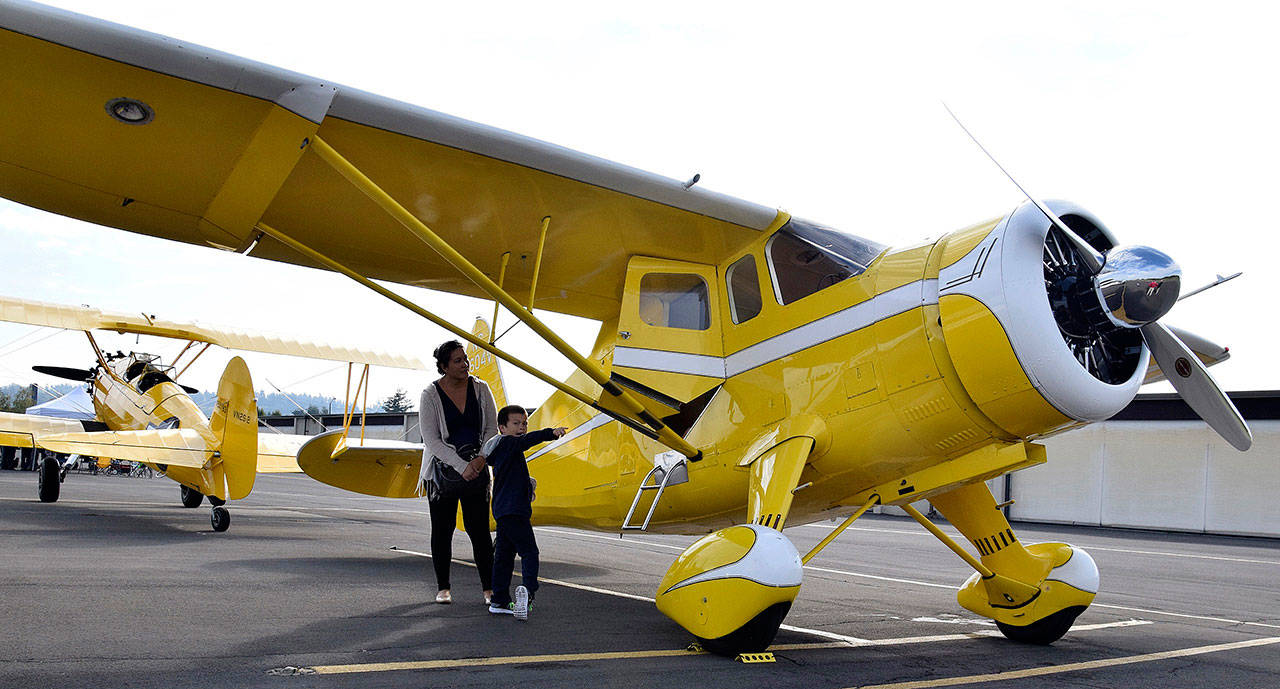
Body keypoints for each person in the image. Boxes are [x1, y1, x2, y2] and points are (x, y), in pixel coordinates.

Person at [418, 340, 498, 605]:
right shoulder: (430, 394)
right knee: (442, 530)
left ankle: (489, 589)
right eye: (457, 361)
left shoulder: (481, 389)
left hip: (476, 470)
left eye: (465, 359)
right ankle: (443, 588)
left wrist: (479, 460)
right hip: (442, 473)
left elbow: (491, 430)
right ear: (443, 367)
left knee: (479, 530)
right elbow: (431, 440)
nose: (465, 364)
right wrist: (461, 466)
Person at [474, 404, 565, 620]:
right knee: (529, 552)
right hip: (514, 510)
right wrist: (549, 433)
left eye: (524, 423)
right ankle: (528, 591)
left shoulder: (503, 450)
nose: (521, 427)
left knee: (504, 556)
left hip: (504, 510)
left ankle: (499, 601)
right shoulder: (508, 444)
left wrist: (528, 485)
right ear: (502, 428)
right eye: (516, 424)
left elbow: (513, 476)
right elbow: (526, 441)